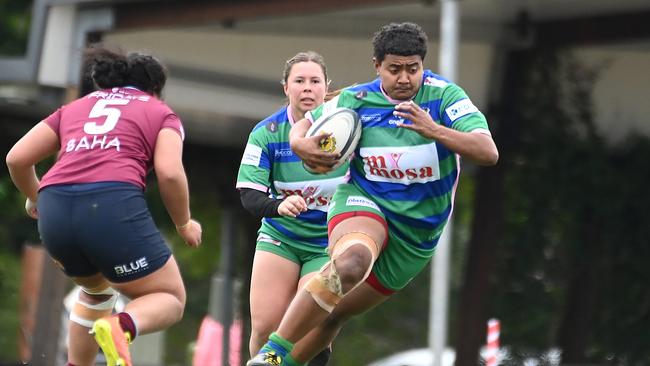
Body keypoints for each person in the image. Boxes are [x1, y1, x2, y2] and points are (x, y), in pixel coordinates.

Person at [247, 22, 499, 366]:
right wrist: (299, 144)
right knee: (351, 263)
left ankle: (281, 363)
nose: (405, 78)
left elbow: (488, 151)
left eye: (413, 69)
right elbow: (307, 124)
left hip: (416, 236)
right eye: (394, 69)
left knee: (335, 314)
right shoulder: (358, 99)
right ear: (377, 65)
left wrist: (434, 129)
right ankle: (272, 354)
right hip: (364, 203)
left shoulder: (444, 96)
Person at [5, 46, 202, 366]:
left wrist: (35, 195)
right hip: (109, 205)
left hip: (55, 210)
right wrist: (184, 223)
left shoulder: (76, 107)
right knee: (169, 297)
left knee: (96, 292)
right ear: (156, 89)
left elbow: (16, 158)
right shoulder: (160, 112)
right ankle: (120, 326)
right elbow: (169, 173)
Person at [236, 51, 347, 366]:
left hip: (328, 243)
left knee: (313, 326)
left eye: (315, 81)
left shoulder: (343, 131)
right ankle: (265, 362)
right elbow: (249, 193)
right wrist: (279, 205)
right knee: (264, 327)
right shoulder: (266, 134)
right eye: (299, 81)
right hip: (281, 238)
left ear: (326, 88)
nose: (307, 88)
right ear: (285, 87)